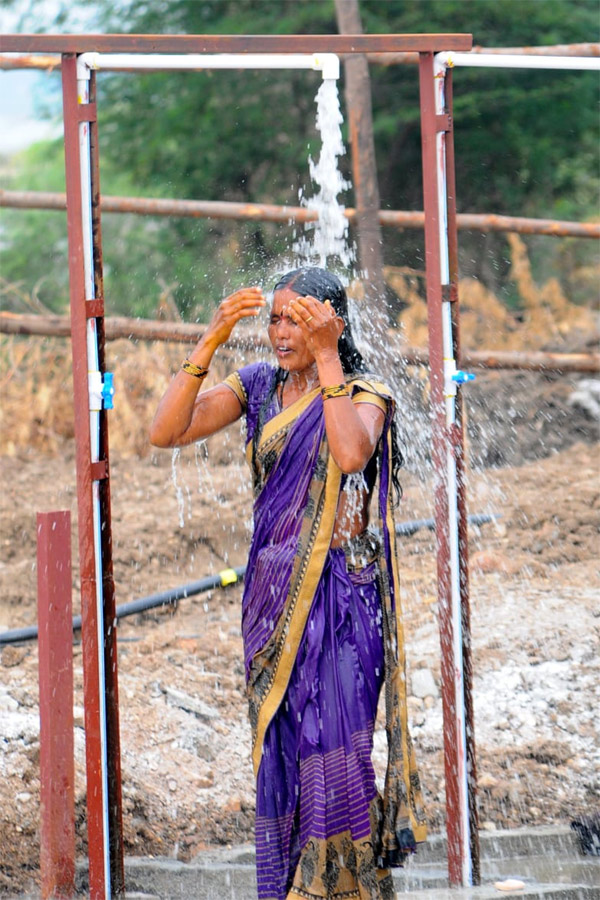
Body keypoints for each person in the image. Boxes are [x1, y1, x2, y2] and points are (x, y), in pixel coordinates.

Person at [150, 267, 426, 900]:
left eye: (296, 320)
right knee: (283, 749)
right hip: (272, 603)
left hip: (342, 602)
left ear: (329, 323)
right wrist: (212, 338)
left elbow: (352, 455)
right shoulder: (256, 387)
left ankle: (339, 889)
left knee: (335, 748)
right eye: (274, 318)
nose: (279, 332)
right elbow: (166, 432)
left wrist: (327, 356)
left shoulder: (367, 393)